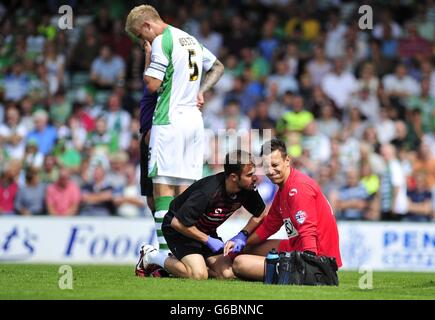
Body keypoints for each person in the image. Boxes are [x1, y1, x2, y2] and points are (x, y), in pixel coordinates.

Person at [125, 4, 224, 255]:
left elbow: (152, 84)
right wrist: (201, 90)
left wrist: (148, 58)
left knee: (162, 190)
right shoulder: (188, 38)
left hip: (169, 122)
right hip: (194, 122)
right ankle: (188, 253)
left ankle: (164, 254)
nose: (143, 40)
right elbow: (218, 67)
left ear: (147, 25)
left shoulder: (161, 41)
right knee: (186, 192)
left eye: (140, 34)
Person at [135, 150, 265, 279]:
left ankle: (187, 263)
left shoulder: (247, 189)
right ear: (233, 177)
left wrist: (242, 235)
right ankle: (151, 256)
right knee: (198, 275)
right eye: (249, 175)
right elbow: (176, 223)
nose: (255, 178)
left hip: (204, 232)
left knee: (227, 274)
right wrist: (207, 240)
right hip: (179, 232)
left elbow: (260, 213)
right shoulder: (207, 192)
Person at [229, 138, 342, 282]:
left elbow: (308, 230)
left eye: (275, 165)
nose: (270, 171)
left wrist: (310, 267)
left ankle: (299, 275)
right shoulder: (284, 189)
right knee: (247, 251)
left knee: (241, 264)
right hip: (297, 247)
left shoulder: (298, 188)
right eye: (266, 166)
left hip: (319, 260)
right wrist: (242, 242)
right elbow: (269, 225)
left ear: (287, 160)